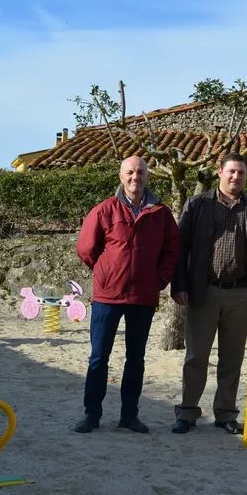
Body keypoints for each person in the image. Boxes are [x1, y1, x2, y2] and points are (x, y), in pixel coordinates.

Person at [73, 156, 179, 434]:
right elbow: (86, 248)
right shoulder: (104, 210)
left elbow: (172, 250)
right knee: (98, 358)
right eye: (130, 172)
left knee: (136, 358)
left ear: (147, 176)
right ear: (121, 176)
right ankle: (91, 414)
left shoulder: (161, 214)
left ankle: (129, 415)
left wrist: (159, 279)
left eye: (141, 172)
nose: (136, 177)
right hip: (108, 296)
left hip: (143, 297)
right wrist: (106, 271)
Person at [170, 152, 247, 435]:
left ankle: (226, 413)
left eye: (241, 173)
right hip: (205, 291)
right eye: (231, 172)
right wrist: (178, 286)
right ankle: (188, 411)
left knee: (232, 357)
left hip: (240, 293)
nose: (236, 177)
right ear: (219, 172)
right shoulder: (198, 204)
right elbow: (181, 248)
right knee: (196, 355)